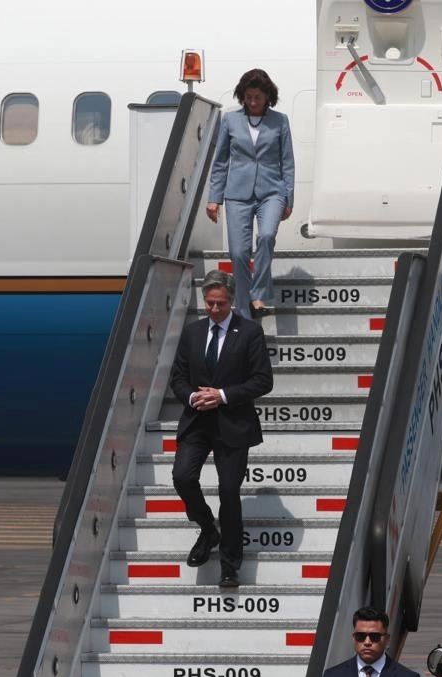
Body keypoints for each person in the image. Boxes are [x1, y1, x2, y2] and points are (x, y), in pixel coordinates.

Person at [170, 269, 273, 588]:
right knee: (182, 476)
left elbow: (263, 381)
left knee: (228, 492)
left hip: (233, 424)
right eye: (210, 303)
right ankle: (207, 528)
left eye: (221, 304)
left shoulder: (250, 332)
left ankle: (230, 566)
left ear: (231, 301)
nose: (214, 309)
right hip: (197, 420)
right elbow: (178, 377)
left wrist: (222, 395)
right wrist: (192, 397)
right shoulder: (192, 333)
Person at [206, 68, 295, 319]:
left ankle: (259, 294)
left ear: (268, 97)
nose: (253, 102)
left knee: (266, 236)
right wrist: (214, 198)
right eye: (248, 97)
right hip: (237, 193)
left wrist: (289, 197)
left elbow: (287, 162)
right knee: (238, 253)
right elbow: (220, 162)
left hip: (272, 191)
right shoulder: (230, 120)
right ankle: (244, 311)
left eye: (258, 97)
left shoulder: (280, 121)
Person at [321, 606, 421, 677]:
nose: (367, 642)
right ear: (353, 638)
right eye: (361, 636)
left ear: (387, 639)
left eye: (374, 637)